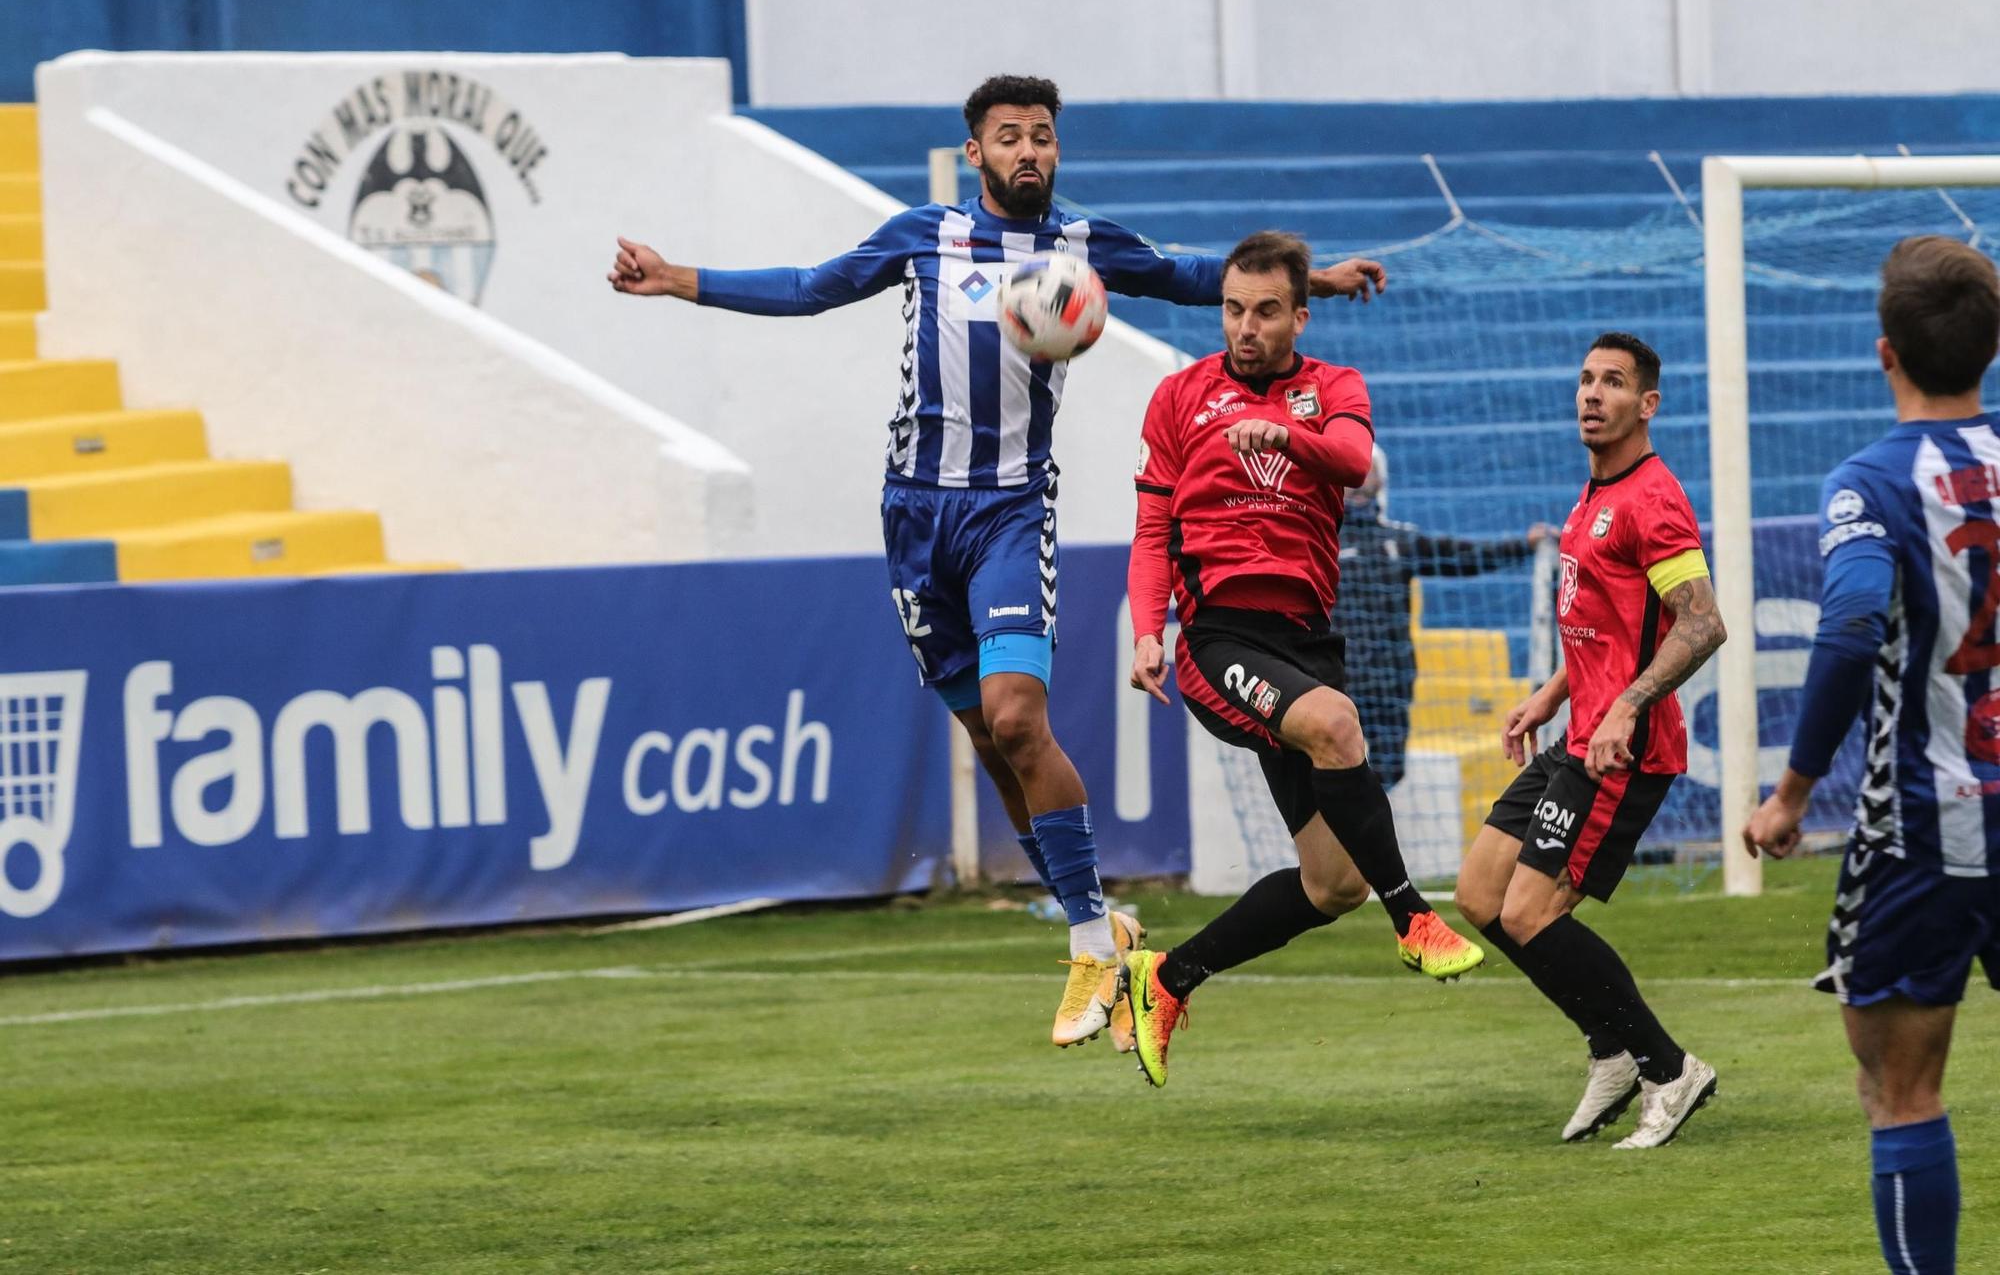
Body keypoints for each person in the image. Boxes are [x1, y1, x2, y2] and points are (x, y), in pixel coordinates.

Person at [607, 75, 1386, 1048]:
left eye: (1043, 137)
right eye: (1009, 137)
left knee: (1020, 716)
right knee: (988, 737)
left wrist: (1312, 281)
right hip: (912, 516)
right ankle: (1096, 918)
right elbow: (813, 289)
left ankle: (1093, 944)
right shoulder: (923, 235)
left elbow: (1196, 275)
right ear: (973, 153)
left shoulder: (1081, 247)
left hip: (1010, 513)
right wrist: (680, 278)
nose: (1029, 151)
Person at [1117, 230, 1485, 1088]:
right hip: (1220, 641)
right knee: (1335, 721)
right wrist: (1147, 627)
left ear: (1300, 316)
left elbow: (1355, 462)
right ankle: (1415, 919)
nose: (1246, 327)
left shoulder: (1333, 390)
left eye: (1266, 311)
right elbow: (1151, 528)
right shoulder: (1177, 398)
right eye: (1234, 310)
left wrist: (1278, 434)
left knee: (1331, 884)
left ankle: (1166, 977)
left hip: (1306, 643)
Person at [1744, 235, 2000, 1272]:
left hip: (1923, 832)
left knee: (1899, 1090)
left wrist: (1790, 792)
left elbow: (1849, 625)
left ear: (1881, 350)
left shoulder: (1869, 481)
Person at [1451, 332, 1727, 1149]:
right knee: (1477, 895)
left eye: (1613, 382)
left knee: (1531, 912)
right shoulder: (1590, 495)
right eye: (1585, 379)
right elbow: (1606, 630)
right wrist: (1549, 695)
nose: (1592, 393)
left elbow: (1702, 622)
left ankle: (1670, 1068)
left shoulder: (1652, 498)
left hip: (1623, 749)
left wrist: (1627, 708)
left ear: (1647, 404)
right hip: (1577, 734)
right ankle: (1611, 1048)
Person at [1339, 445, 1552, 789]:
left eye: (1369, 470)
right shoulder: (1322, 542)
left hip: (1391, 681)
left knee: (1390, 771)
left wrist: (1521, 546)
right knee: (1335, 765)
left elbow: (1460, 556)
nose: (1361, 479)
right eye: (1352, 471)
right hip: (1340, 681)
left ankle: (1358, 828)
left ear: (1381, 480)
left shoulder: (1400, 539)